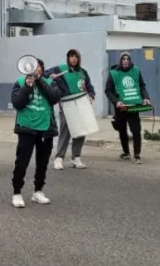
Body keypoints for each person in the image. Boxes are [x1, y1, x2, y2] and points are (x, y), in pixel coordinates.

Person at [10, 58, 63, 208]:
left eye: (38, 66)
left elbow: (54, 97)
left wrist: (40, 81)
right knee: (22, 162)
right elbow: (17, 103)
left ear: (42, 68)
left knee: (42, 162)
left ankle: (38, 191)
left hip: (46, 128)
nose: (35, 69)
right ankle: (17, 192)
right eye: (33, 67)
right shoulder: (20, 82)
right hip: (27, 127)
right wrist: (27, 86)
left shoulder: (50, 82)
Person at [48, 49, 96, 170]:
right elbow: (45, 74)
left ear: (79, 58)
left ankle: (76, 157)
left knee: (81, 130)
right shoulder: (60, 69)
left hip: (81, 104)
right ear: (68, 58)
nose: (73, 59)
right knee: (65, 131)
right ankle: (59, 158)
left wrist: (91, 95)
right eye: (71, 56)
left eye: (76, 56)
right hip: (66, 104)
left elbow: (89, 87)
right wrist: (51, 77)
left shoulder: (83, 72)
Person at [104, 52, 151, 163]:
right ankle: (126, 152)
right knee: (122, 130)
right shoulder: (114, 73)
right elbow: (108, 91)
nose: (125, 61)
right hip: (121, 107)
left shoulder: (136, 71)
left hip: (134, 106)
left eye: (127, 59)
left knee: (136, 130)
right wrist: (116, 102)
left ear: (130, 61)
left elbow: (142, 86)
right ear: (120, 61)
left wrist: (146, 97)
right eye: (123, 59)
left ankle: (137, 155)